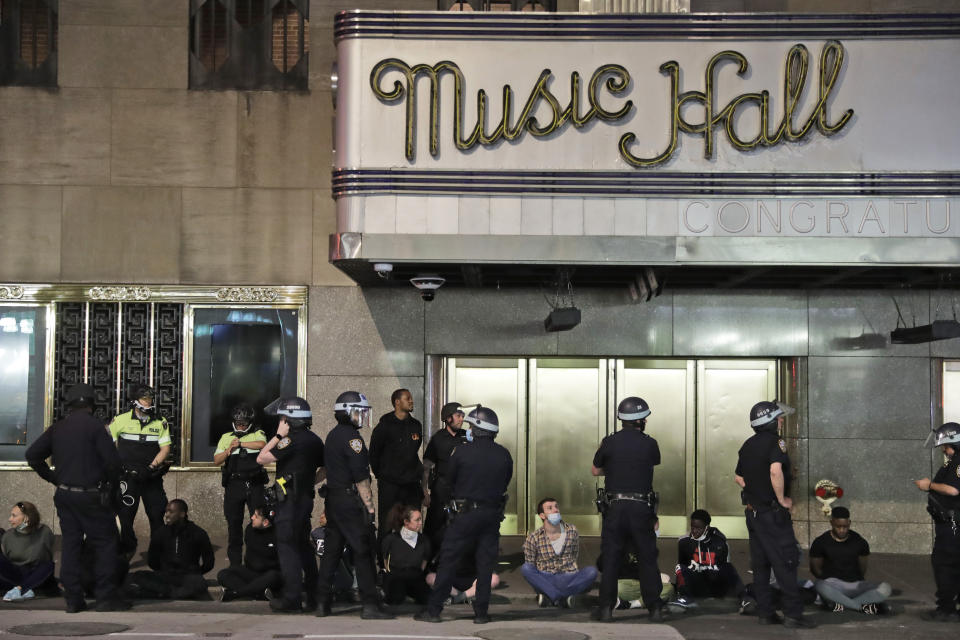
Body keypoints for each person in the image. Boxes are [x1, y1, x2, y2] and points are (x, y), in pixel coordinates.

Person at [25, 382, 128, 613]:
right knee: (105, 545)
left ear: (69, 405)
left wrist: (52, 478)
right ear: (92, 405)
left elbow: (32, 455)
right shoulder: (96, 428)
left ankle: (73, 599)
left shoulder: (58, 428)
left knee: (70, 545)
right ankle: (105, 598)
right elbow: (113, 463)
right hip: (92, 496)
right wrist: (111, 487)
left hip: (65, 495)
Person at [416, 405, 513, 624]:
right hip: (491, 516)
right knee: (486, 564)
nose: (468, 428)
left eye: (471, 424)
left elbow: (449, 482)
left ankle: (433, 611)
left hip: (464, 516)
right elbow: (505, 481)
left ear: (477, 428)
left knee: (448, 561)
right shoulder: (504, 454)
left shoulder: (462, 452)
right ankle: (481, 613)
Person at [735, 400, 815, 628]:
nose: (781, 420)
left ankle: (765, 613)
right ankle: (792, 615)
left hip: (754, 514)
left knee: (760, 566)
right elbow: (774, 470)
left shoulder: (748, 444)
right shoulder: (776, 442)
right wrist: (782, 499)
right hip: (772, 513)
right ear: (770, 422)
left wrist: (755, 490)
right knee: (785, 562)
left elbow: (738, 477)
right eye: (778, 417)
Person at [315, 391, 393, 619]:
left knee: (331, 553)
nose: (362, 417)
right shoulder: (354, 440)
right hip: (350, 503)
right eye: (359, 412)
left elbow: (327, 470)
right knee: (363, 552)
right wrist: (370, 508)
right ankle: (370, 605)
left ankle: (322, 603)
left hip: (334, 501)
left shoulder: (332, 435)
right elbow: (361, 478)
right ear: (349, 413)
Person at [590, 396, 667, 623]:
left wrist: (612, 468)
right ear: (641, 420)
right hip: (641, 506)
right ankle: (655, 608)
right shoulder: (649, 443)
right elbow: (648, 465)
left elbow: (595, 470)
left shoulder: (609, 441)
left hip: (614, 507)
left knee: (612, 557)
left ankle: (605, 609)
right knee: (647, 557)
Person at [256, 396, 325, 613]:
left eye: (283, 418)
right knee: (304, 547)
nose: (281, 421)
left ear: (290, 420)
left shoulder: (290, 440)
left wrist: (278, 435)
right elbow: (326, 469)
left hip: (289, 503)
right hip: (304, 499)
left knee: (287, 548)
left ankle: (292, 599)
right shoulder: (315, 440)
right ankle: (314, 597)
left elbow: (262, 458)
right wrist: (307, 482)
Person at [108, 384, 171, 558]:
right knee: (124, 519)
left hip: (151, 478)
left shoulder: (160, 421)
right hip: (128, 479)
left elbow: (165, 449)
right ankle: (127, 550)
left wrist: (151, 468)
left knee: (157, 517)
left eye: (151, 398)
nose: (149, 402)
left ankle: (157, 557)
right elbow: (109, 447)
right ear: (135, 401)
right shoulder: (120, 420)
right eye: (145, 398)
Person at [915, 421, 960, 621]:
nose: (943, 450)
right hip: (950, 523)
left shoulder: (958, 461)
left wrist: (929, 485)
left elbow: (953, 490)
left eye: (945, 446)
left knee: (944, 564)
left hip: (952, 525)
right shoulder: (953, 461)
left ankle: (946, 608)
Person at [809, 506, 891, 614]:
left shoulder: (859, 541)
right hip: (833, 586)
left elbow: (863, 568)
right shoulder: (820, 542)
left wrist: (855, 582)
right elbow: (816, 570)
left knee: (885, 587)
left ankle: (841, 605)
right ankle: (862, 607)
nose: (842, 530)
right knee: (819, 585)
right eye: (838, 526)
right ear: (831, 523)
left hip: (856, 585)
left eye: (845, 526)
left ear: (850, 523)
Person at [126, 499, 214, 600]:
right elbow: (152, 561)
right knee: (138, 576)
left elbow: (209, 562)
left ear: (182, 514)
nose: (167, 515)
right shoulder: (160, 533)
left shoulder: (198, 533)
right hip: (166, 576)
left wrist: (196, 572)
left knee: (198, 582)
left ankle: (164, 593)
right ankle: (177, 593)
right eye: (166, 511)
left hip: (188, 576)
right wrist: (164, 571)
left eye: (171, 512)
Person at [215, 403, 268, 567]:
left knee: (259, 522)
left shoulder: (257, 433)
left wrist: (241, 444)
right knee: (234, 524)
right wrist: (229, 449)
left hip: (254, 483)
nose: (241, 426)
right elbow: (217, 460)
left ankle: (257, 561)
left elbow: (262, 445)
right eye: (238, 423)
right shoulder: (226, 437)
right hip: (234, 485)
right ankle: (235, 565)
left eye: (244, 423)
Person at [521, 497, 598, 608]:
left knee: (591, 571)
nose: (555, 510)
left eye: (556, 507)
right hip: (546, 576)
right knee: (526, 568)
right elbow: (530, 563)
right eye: (550, 508)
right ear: (542, 515)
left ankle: (550, 597)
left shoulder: (572, 530)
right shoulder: (533, 537)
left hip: (568, 576)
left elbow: (574, 555)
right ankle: (562, 598)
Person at [370, 389, 424, 541]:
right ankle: (383, 561)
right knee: (387, 523)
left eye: (411, 397)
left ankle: (411, 558)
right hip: (390, 485)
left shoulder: (415, 425)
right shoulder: (384, 426)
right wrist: (384, 475)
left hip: (411, 484)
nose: (411, 400)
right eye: (408, 398)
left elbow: (414, 451)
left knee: (413, 523)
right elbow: (374, 454)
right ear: (397, 402)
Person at [671, 509, 748, 609]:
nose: (694, 531)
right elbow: (683, 566)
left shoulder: (719, 541)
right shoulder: (684, 542)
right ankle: (685, 598)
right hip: (697, 585)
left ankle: (745, 598)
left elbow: (725, 567)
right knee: (679, 568)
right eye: (692, 527)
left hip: (715, 584)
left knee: (728, 567)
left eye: (698, 528)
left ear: (707, 528)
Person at [422, 402, 467, 560]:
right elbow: (426, 466)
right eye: (458, 416)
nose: (461, 419)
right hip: (441, 488)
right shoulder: (438, 438)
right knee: (434, 525)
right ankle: (429, 561)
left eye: (462, 416)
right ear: (448, 419)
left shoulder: (467, 436)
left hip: (462, 488)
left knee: (461, 525)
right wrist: (425, 492)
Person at [217, 504, 282, 602]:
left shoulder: (277, 535)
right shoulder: (250, 530)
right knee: (223, 574)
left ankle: (235, 594)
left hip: (268, 575)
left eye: (256, 516)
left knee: (274, 576)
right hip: (251, 572)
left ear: (265, 522)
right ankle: (259, 594)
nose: (252, 517)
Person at [0, 502, 55, 603]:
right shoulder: (8, 536)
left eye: (14, 516)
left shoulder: (44, 532)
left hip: (37, 575)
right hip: (17, 575)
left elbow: (46, 556)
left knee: (48, 565)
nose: (10, 519)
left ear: (26, 517)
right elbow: (7, 561)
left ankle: (20, 589)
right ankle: (23, 588)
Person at [381, 505, 431, 605]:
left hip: (415, 577)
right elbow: (385, 560)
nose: (420, 523)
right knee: (396, 598)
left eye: (421, 519)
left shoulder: (424, 540)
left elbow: (425, 560)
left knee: (427, 599)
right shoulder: (391, 539)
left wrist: (416, 573)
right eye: (417, 520)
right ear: (406, 522)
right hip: (397, 577)